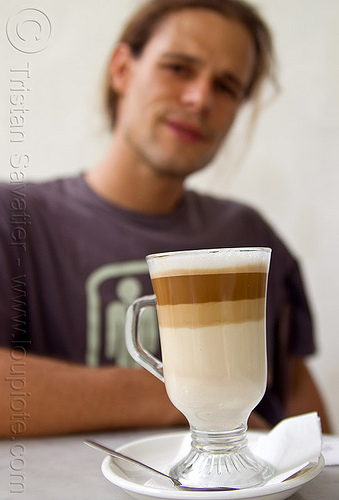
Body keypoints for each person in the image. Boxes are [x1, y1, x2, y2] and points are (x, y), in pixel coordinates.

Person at [0, 0, 331, 437]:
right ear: (122, 69)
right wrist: (168, 395)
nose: (199, 98)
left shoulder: (247, 235)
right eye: (178, 68)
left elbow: (299, 407)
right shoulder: (18, 219)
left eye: (227, 86)